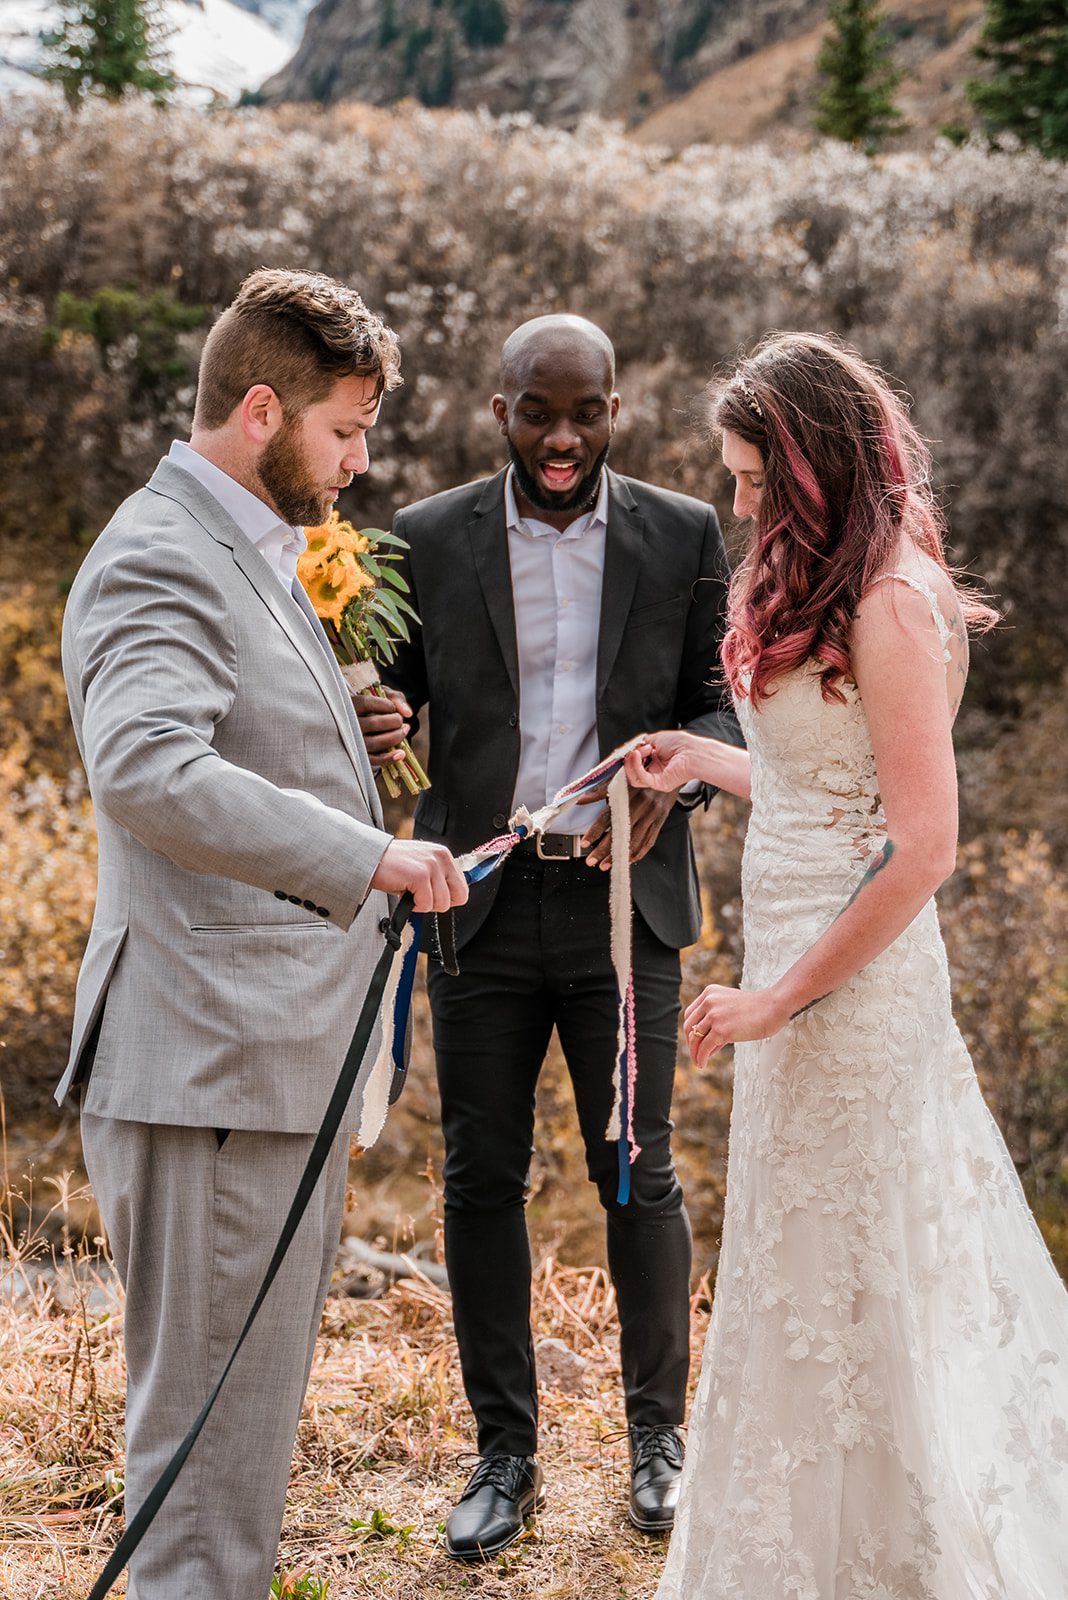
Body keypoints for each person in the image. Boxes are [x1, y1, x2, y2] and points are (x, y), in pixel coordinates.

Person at [627, 332, 1068, 1598]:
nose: (746, 504)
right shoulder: (835, 584)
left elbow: (921, 845)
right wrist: (705, 759)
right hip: (798, 971)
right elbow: (832, 790)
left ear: (818, 465)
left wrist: (773, 998)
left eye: (760, 480)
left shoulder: (888, 601)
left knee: (866, 1266)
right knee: (804, 1262)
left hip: (850, 990)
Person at [58, 268, 469, 1600]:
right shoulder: (162, 548)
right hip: (208, 1068)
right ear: (258, 410)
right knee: (201, 1483)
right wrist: (368, 854)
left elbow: (233, 742)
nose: (358, 461)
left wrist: (344, 746)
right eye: (344, 431)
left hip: (261, 1067)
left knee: (235, 1470)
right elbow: (147, 770)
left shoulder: (249, 548)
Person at [354, 313, 743, 1558]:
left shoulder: (684, 533)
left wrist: (676, 783)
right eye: (538, 412)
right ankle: (504, 1458)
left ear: (617, 409)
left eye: (585, 412)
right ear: (500, 409)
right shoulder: (422, 535)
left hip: (628, 912)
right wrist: (372, 713)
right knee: (480, 1178)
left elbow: (720, 698)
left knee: (638, 1169)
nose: (562, 438)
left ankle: (656, 1442)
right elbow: (397, 691)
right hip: (473, 907)